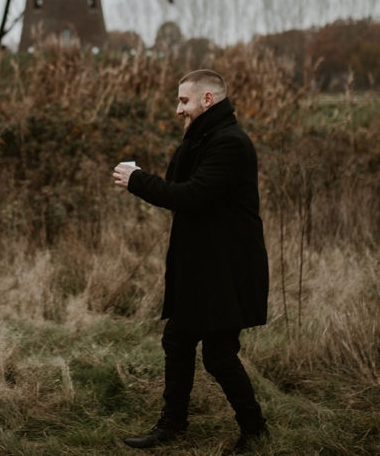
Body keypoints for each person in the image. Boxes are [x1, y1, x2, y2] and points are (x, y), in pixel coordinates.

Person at [112, 69, 269, 454]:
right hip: (200, 266)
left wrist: (136, 180)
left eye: (184, 101)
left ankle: (255, 430)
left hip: (226, 270)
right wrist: (188, 134)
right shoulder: (205, 138)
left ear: (208, 100)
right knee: (178, 340)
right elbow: (176, 181)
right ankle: (173, 424)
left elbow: (190, 195)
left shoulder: (230, 143)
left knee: (218, 354)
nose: (178, 109)